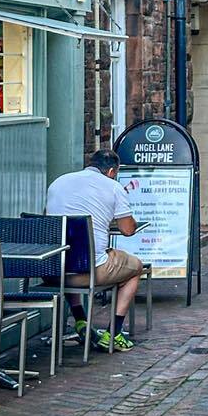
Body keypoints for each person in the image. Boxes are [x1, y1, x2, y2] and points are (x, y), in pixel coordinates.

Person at [46, 149, 142, 352]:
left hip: (53, 271)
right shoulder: (114, 187)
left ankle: (81, 320)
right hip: (88, 272)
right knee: (136, 268)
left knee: (71, 253)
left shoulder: (58, 182)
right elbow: (127, 230)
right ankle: (114, 333)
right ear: (111, 172)